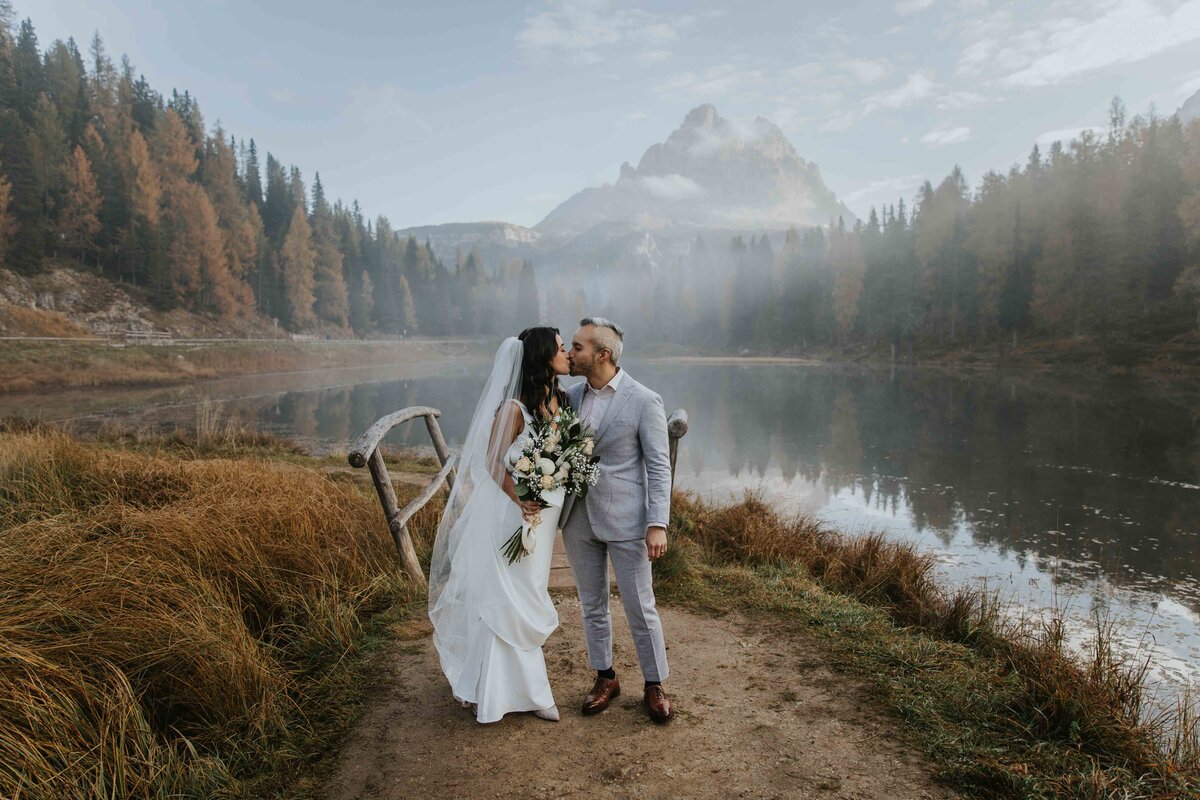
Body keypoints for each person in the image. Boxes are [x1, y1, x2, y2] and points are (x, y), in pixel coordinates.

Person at [428, 327, 570, 723]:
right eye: (560, 348)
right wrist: (520, 498)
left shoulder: (558, 402)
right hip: (513, 515)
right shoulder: (513, 409)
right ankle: (510, 692)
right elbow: (492, 463)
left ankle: (523, 689)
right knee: (508, 598)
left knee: (531, 590)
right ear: (543, 358)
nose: (566, 353)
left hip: (543, 516)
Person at [560, 316, 675, 723]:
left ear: (602, 354)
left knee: (640, 606)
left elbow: (659, 468)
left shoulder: (645, 400)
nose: (569, 353)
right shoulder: (569, 397)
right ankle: (605, 677)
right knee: (592, 604)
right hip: (577, 518)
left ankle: (655, 683)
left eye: (577, 347)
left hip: (628, 520)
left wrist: (656, 523)